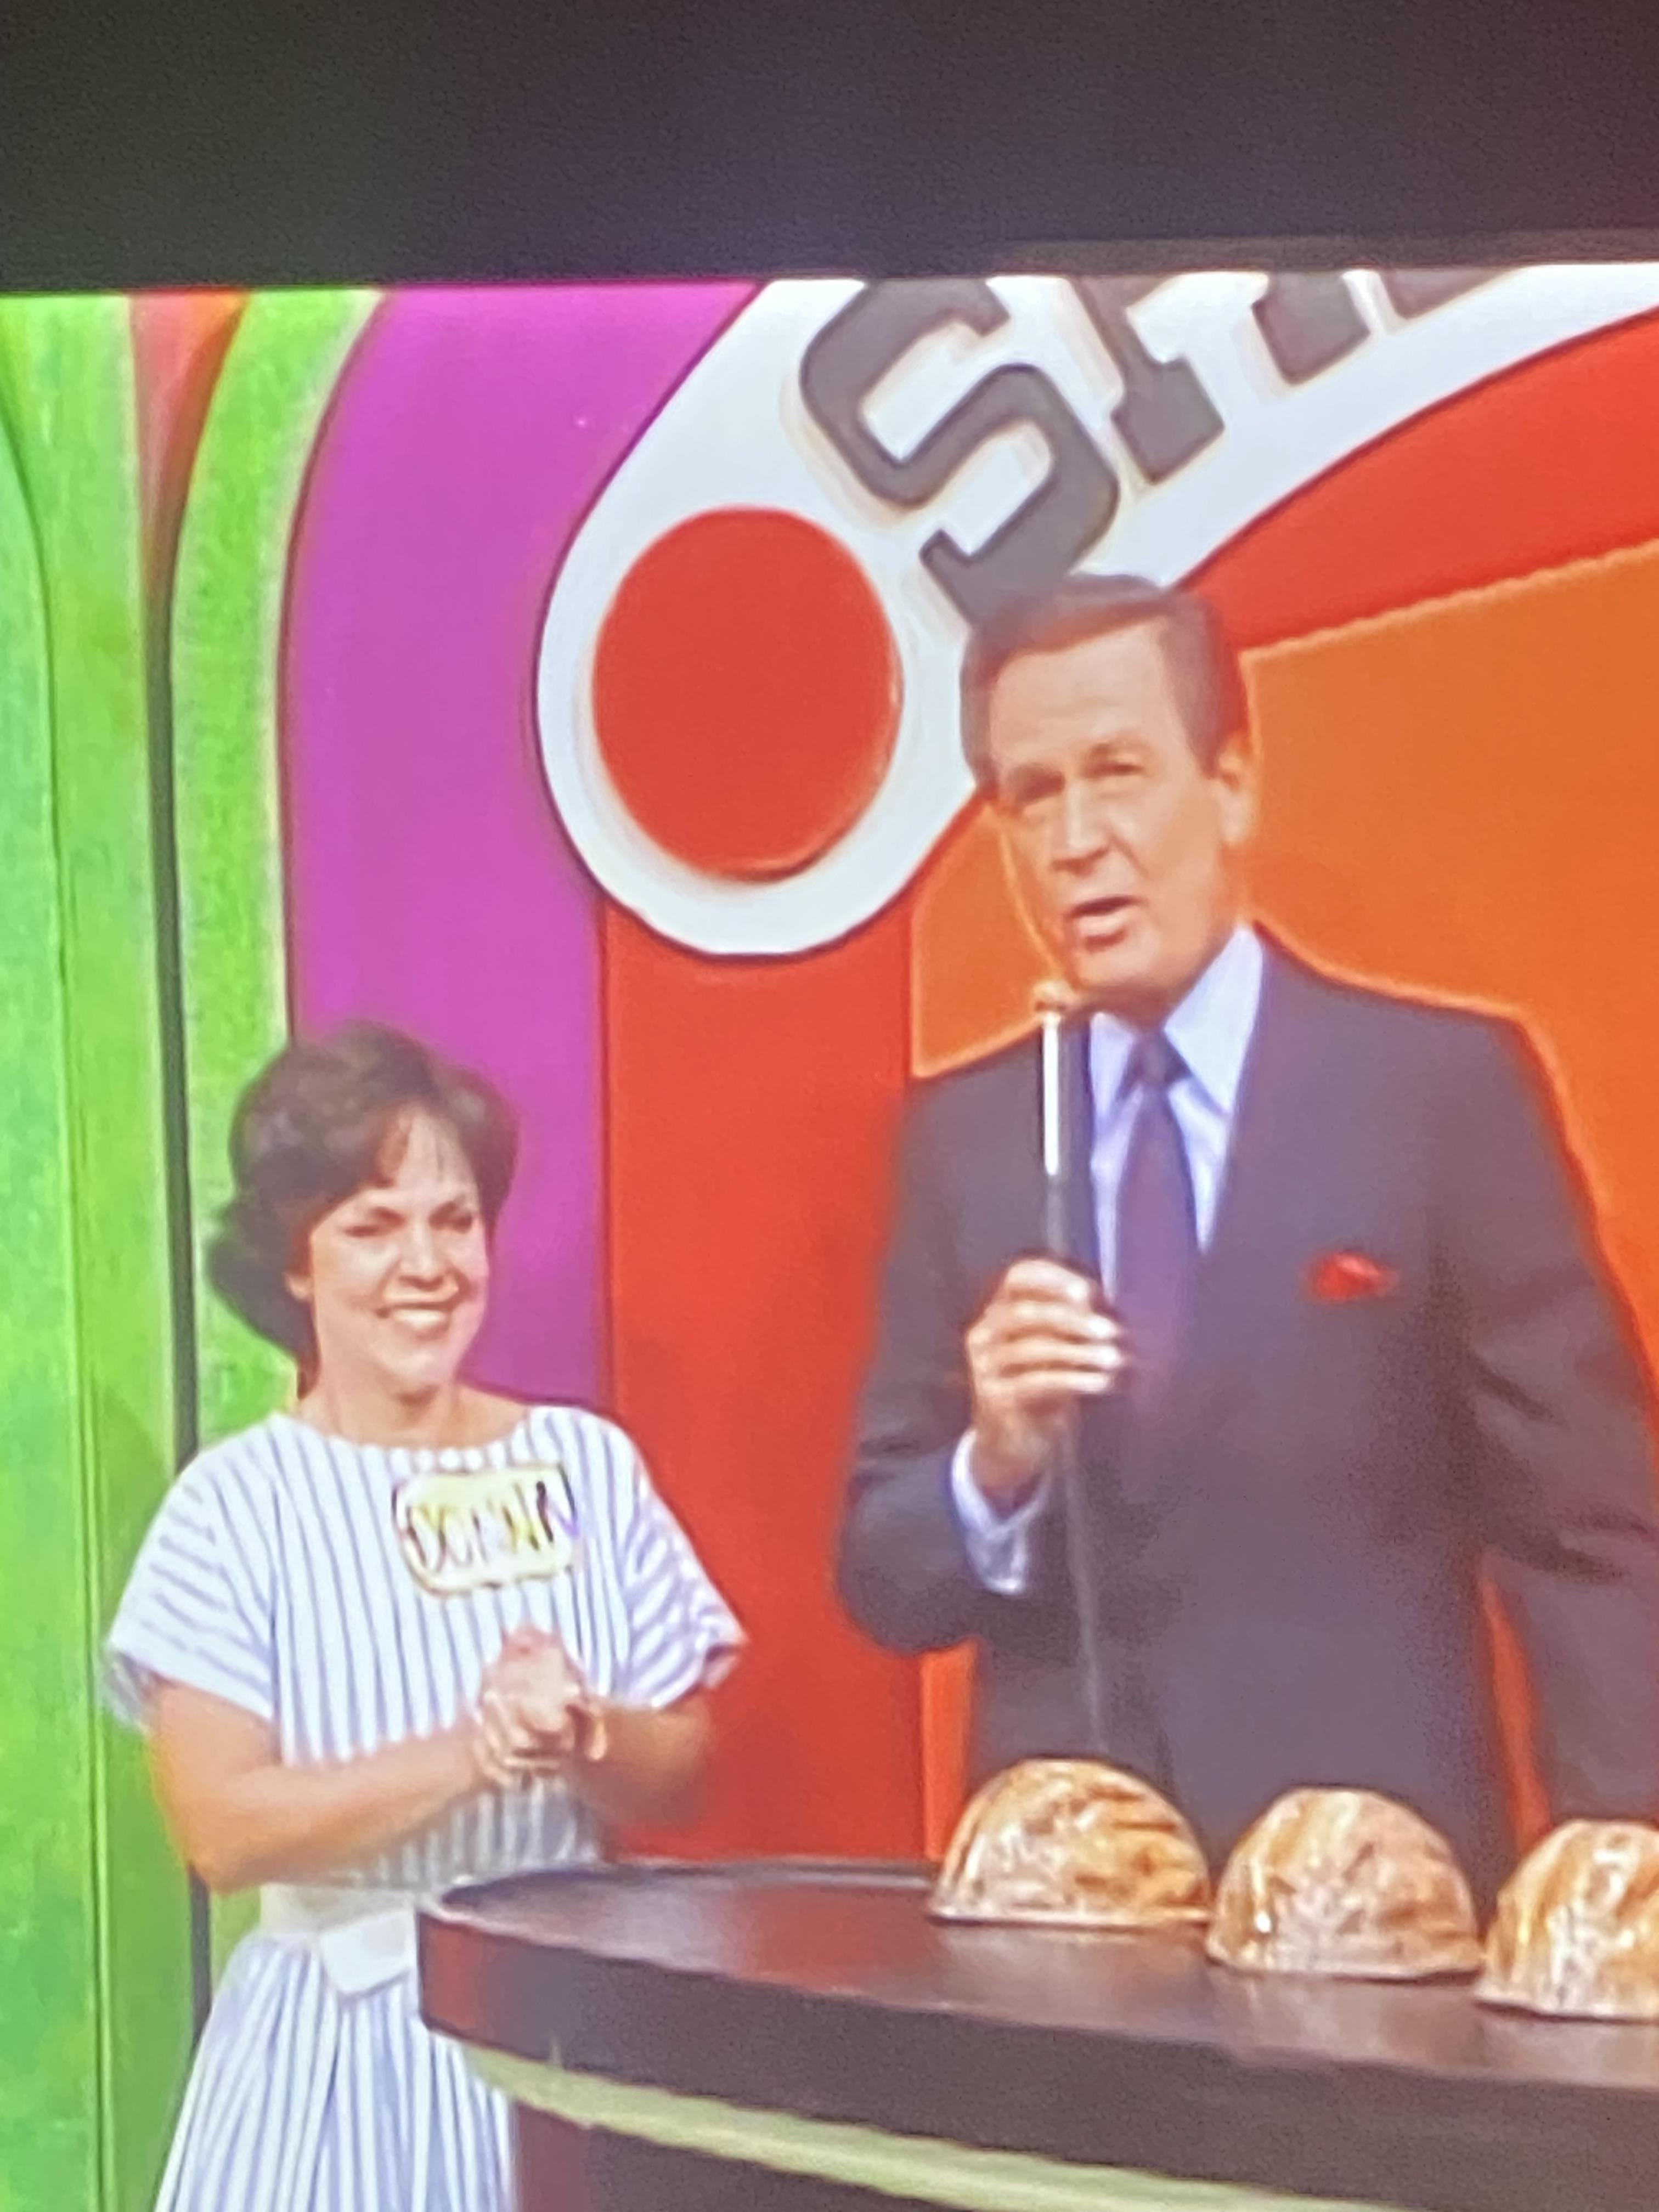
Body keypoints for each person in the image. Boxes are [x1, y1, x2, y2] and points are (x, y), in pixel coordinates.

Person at [838, 574, 1659, 1905]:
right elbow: (885, 1578)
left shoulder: (1436, 1096)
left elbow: (1591, 1538)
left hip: (1372, 1912)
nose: (1077, 840)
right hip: (1067, 1924)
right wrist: (995, 1463)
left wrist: (1619, 1879)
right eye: (1032, 796)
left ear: (1230, 787)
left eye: (1117, 773)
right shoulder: (969, 1139)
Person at [104, 1022, 741, 2212]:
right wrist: (470, 1756)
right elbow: (223, 1830)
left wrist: (585, 1734)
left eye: (454, 1222)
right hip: (331, 2061)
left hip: (558, 2046)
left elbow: (686, 1773)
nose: (427, 1264)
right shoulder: (234, 1506)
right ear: (296, 1263)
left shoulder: (585, 1467)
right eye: (373, 1226)